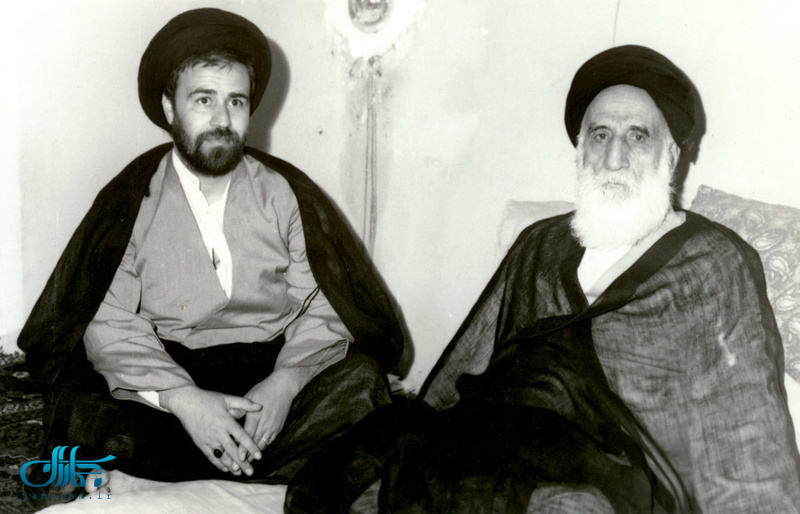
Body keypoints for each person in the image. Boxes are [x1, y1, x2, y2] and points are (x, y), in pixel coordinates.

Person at [285, 45, 800, 513]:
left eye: (637, 136)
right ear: (580, 151)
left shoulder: (715, 261)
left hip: (613, 476)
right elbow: (467, 368)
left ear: (671, 155)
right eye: (600, 135)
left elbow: (743, 429)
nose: (614, 157)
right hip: (496, 448)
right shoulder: (542, 243)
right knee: (361, 472)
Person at [18, 7, 403, 498]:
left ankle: (172, 478)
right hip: (169, 374)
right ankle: (254, 468)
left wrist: (285, 384)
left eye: (235, 102)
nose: (222, 120)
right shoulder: (131, 199)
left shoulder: (285, 193)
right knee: (81, 404)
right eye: (204, 100)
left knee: (362, 381)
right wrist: (186, 402)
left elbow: (327, 303)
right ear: (169, 108)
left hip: (269, 368)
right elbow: (108, 321)